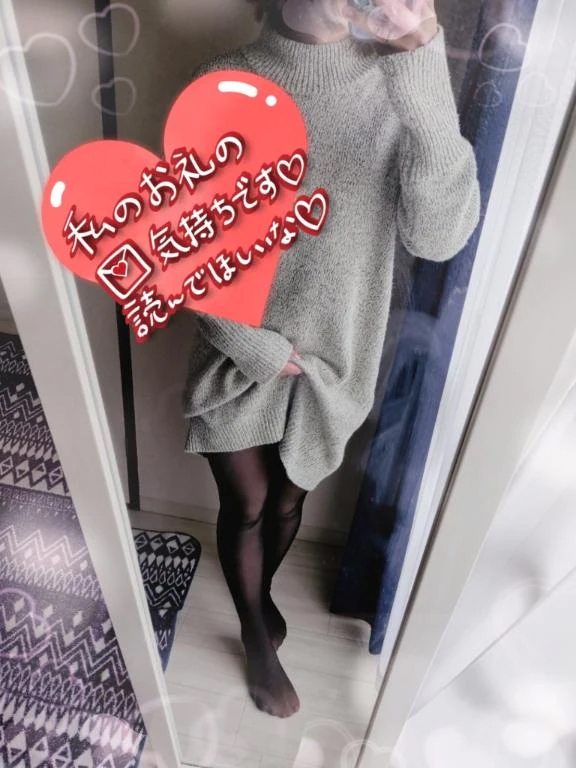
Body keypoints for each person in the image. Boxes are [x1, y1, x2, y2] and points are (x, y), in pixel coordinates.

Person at [182, 0, 481, 718]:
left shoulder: (400, 83)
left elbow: (439, 237)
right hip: (237, 351)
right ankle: (254, 632)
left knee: (290, 499)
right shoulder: (224, 81)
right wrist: (254, 346)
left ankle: (261, 593)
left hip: (336, 359)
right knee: (247, 503)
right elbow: (184, 248)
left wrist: (422, 61)